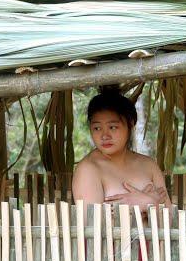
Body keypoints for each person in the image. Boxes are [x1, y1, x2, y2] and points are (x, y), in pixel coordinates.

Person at [72, 85, 171, 214]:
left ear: (130, 124)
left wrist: (147, 203)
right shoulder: (88, 170)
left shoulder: (149, 165)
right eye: (97, 128)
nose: (104, 136)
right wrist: (149, 203)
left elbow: (170, 218)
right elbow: (91, 228)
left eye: (112, 127)